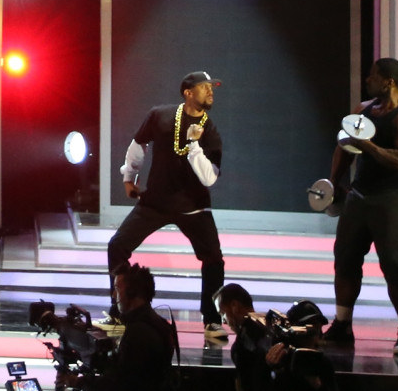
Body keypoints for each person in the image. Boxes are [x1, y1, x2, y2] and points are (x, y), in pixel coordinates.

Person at [109, 71, 228, 341]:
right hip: (156, 202)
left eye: (212, 88)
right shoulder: (160, 115)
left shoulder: (210, 131)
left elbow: (209, 177)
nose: (211, 92)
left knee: (213, 259)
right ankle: (120, 310)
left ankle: (211, 320)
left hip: (194, 207)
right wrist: (129, 177)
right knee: (117, 246)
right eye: (205, 87)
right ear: (188, 92)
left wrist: (195, 144)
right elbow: (138, 143)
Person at [323, 57, 398, 356]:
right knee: (345, 259)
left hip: (393, 197)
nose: (368, 80)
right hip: (359, 195)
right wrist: (333, 184)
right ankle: (342, 325)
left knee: (394, 264)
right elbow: (344, 148)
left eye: (373, 76)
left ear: (389, 82)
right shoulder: (362, 110)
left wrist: (368, 146)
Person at [98, 262, 176, 391]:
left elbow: (121, 383)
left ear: (132, 292)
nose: (113, 295)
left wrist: (79, 382)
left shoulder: (139, 333)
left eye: (117, 289)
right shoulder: (157, 323)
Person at [217, 283, 274, 391]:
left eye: (223, 313)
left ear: (235, 306)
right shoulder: (267, 326)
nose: (224, 320)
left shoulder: (245, 339)